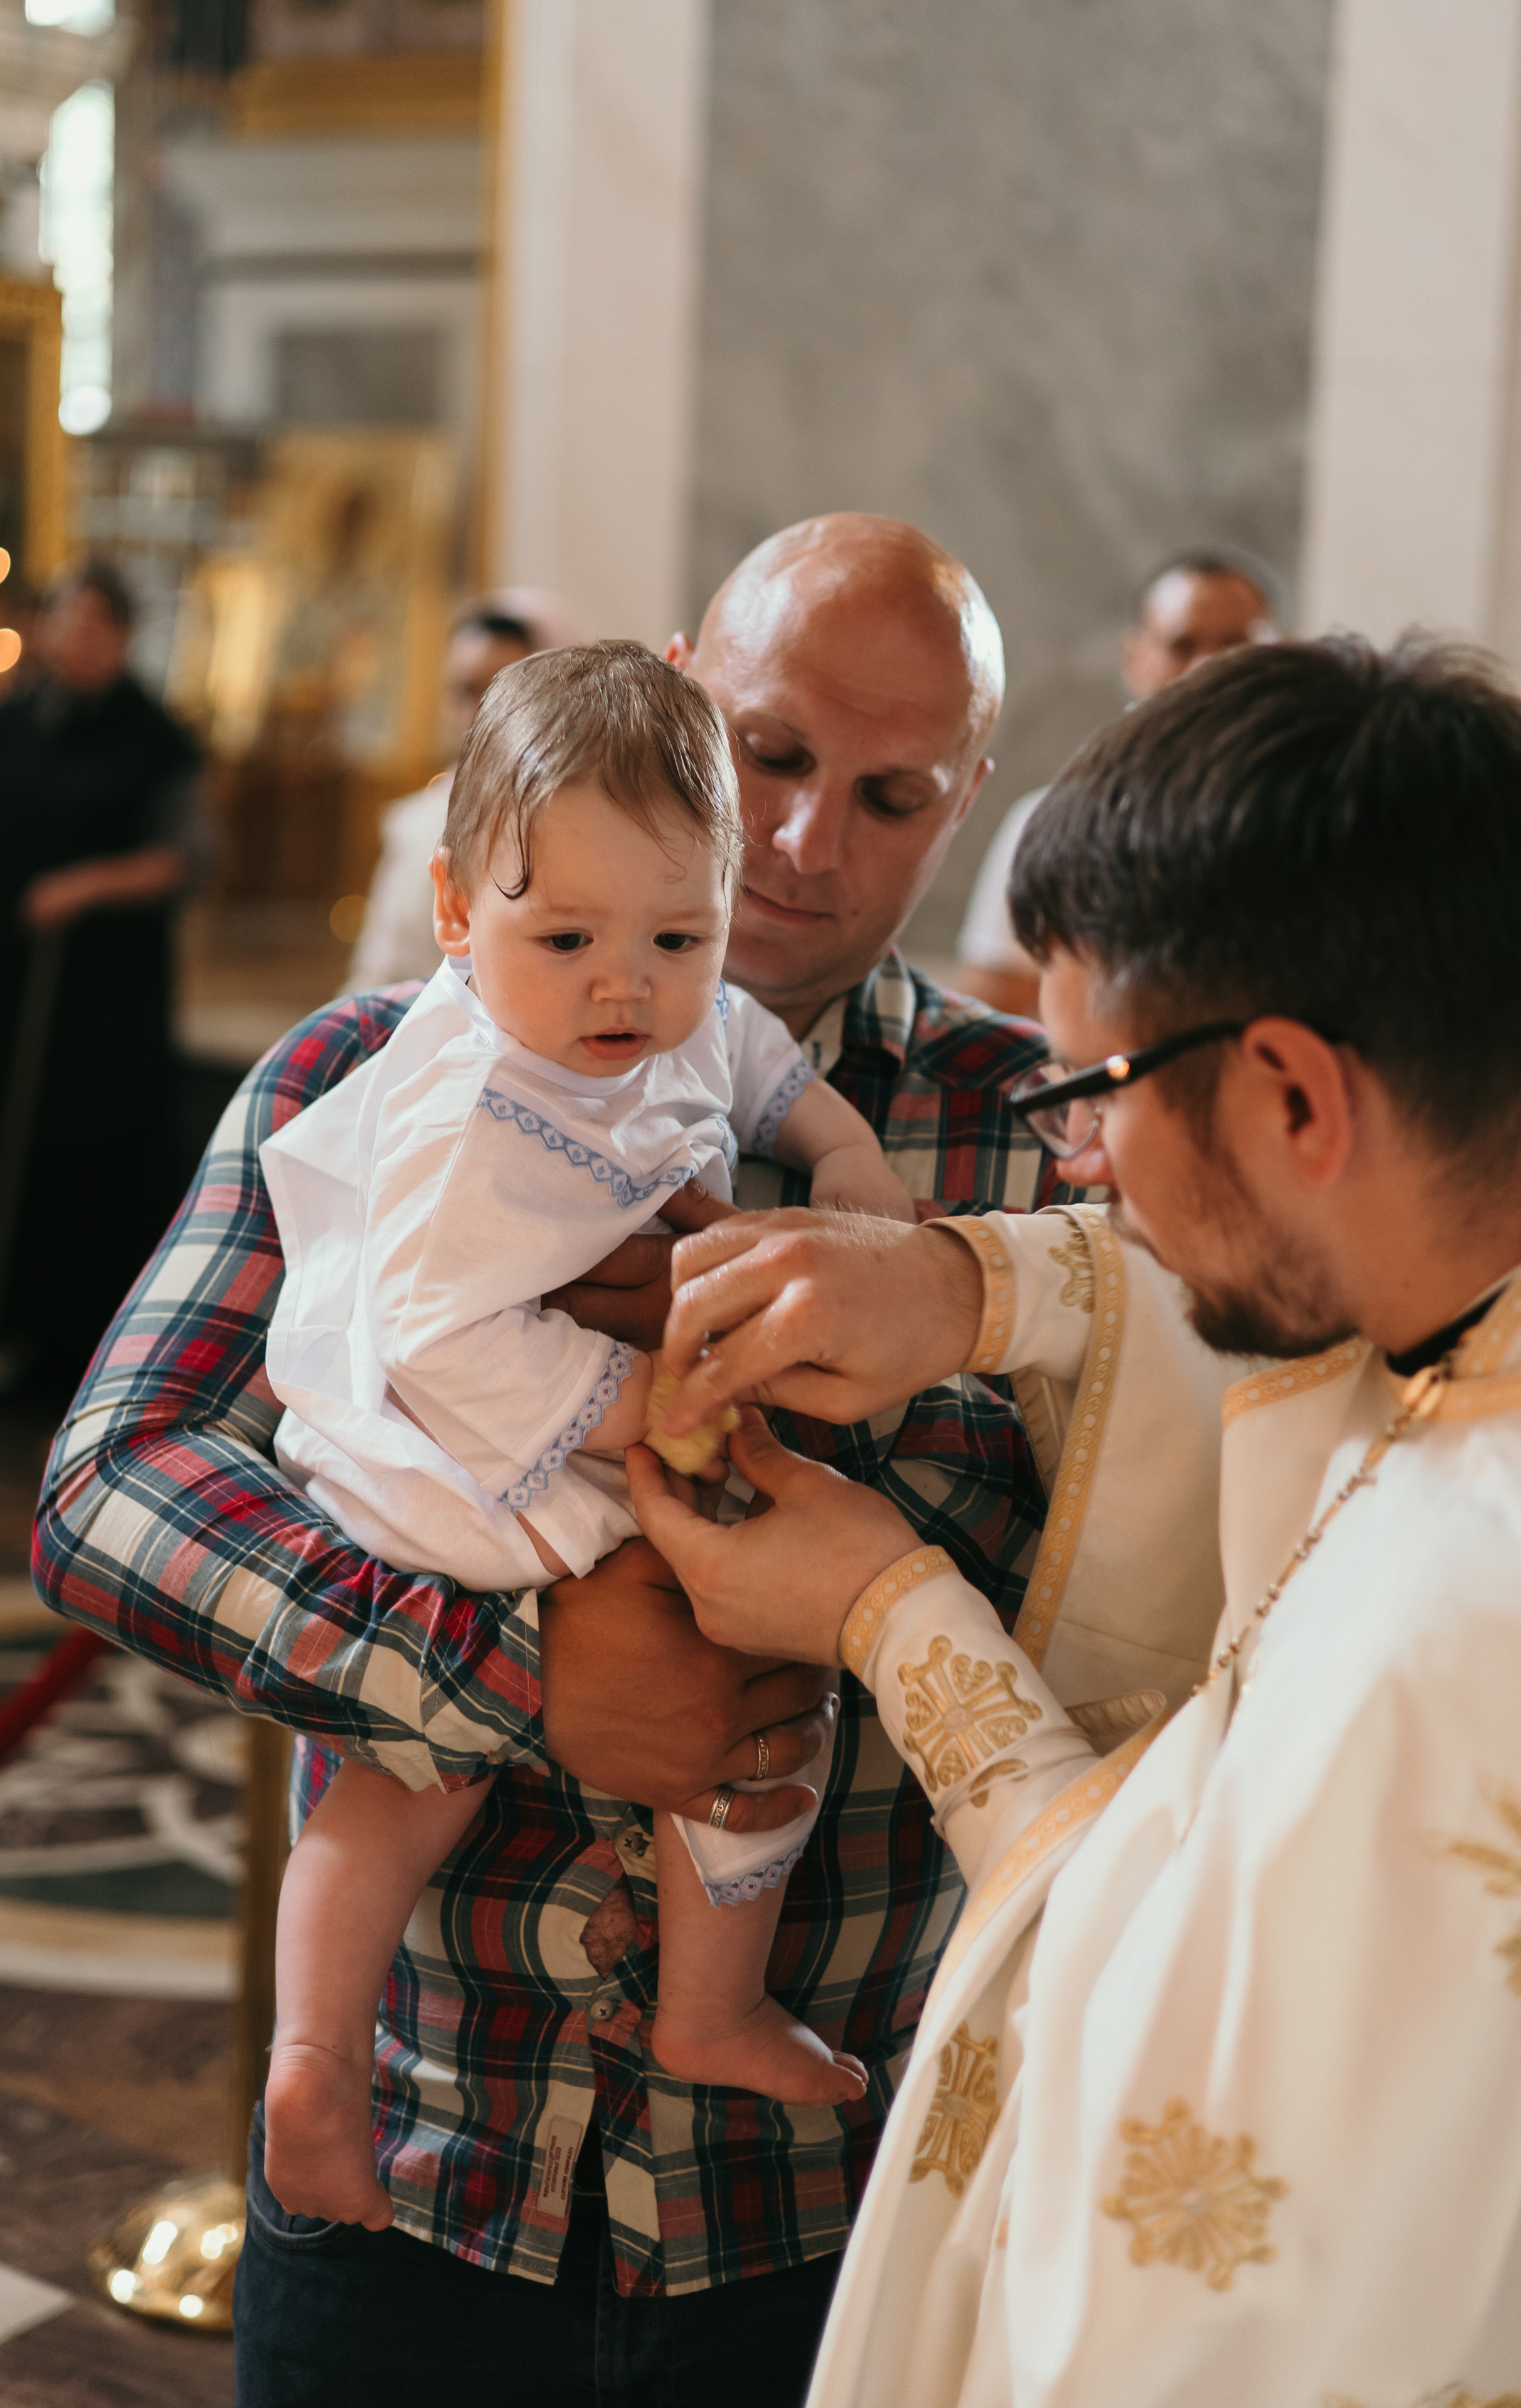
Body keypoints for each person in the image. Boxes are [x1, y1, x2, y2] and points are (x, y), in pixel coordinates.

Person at [33, 515, 1091, 2408]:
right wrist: (514, 1670)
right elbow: (113, 1484)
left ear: (966, 799)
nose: (803, 839)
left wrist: (833, 1361)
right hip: (423, 2159)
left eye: (890, 794)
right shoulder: (372, 1076)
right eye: (768, 753)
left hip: (822, 2204)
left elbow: (1115, 1576)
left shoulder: (1025, 1138)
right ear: (679, 695)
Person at [635, 632, 1521, 2401]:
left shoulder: (1465, 1647)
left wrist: (888, 1614)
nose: (1072, 1162)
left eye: (1091, 1094)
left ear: (1295, 1094)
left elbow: (1167, 2110)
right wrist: (968, 1287)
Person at [263, 643, 914, 2232]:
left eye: (677, 937)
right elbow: (436, 1335)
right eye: (564, 939)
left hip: (560, 1426)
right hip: (453, 1449)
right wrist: (647, 1404)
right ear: (453, 910)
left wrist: (839, 1151)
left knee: (751, 1701)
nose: (626, 987)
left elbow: (746, 1050)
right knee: (420, 1775)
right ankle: (317, 2058)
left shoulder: (672, 1005)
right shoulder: (471, 1118)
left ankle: (697, 2007)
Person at [0, 556, 205, 1398]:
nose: (78, 638)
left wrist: (84, 887)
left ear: (122, 636)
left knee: (93, 1157)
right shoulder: (17, 719)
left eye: (97, 624)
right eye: (67, 620)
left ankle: (81, 1350)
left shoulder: (158, 737)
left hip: (107, 990)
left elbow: (184, 859)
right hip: (18, 972)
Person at [955, 544, 1279, 1020]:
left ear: (1280, 654)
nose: (1208, 668)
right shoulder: (1054, 823)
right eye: (1182, 646)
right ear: (1135, 658)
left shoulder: (1331, 816)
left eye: (1235, 645)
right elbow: (988, 1016)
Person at [341, 587, 589, 994]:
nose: (481, 711)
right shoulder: (420, 822)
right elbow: (380, 971)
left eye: (502, 688)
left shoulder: (590, 821)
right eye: (466, 690)